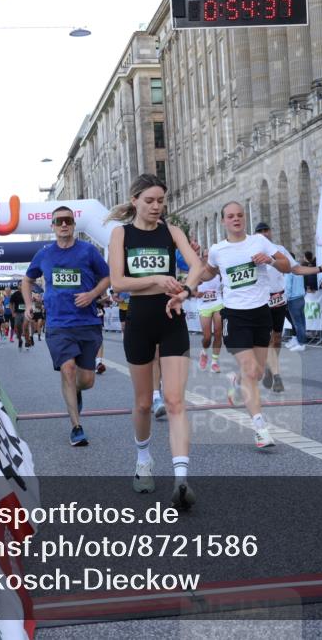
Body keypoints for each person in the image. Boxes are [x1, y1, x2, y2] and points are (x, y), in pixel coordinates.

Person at [108, 174, 202, 510]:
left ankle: (181, 479)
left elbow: (196, 266)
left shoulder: (172, 231)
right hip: (139, 323)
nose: (156, 206)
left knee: (176, 401)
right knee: (144, 403)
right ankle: (143, 459)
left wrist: (186, 290)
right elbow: (119, 282)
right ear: (134, 200)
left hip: (172, 319)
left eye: (161, 200)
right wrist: (157, 280)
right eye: (149, 200)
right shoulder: (121, 234)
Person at [202, 201, 291, 449]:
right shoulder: (218, 250)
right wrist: (190, 280)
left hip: (261, 312)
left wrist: (271, 260)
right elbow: (208, 272)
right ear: (223, 221)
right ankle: (260, 428)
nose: (236, 219)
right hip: (234, 315)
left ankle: (237, 381)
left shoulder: (259, 242)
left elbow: (287, 266)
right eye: (230, 216)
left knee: (258, 373)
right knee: (252, 372)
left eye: (240, 215)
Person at [23, 206, 110, 447]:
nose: (64, 225)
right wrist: (29, 303)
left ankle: (77, 391)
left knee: (87, 380)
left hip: (87, 322)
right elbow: (27, 280)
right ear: (52, 226)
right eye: (59, 221)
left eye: (68, 221)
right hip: (59, 324)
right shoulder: (44, 254)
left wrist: (92, 294)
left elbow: (107, 277)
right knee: (68, 369)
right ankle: (76, 426)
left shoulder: (88, 251)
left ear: (73, 224)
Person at [254, 222, 322, 390]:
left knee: (277, 339)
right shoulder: (252, 250)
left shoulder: (280, 250)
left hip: (279, 299)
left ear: (271, 231)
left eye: (266, 230)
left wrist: (320, 268)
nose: (264, 233)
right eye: (260, 231)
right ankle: (275, 373)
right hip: (261, 301)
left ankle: (271, 368)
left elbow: (296, 269)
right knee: (267, 339)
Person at [195, 250, 223, 373]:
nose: (207, 258)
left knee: (218, 333)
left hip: (218, 303)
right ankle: (204, 352)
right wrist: (196, 293)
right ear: (202, 258)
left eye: (209, 256)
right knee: (207, 338)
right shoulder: (197, 272)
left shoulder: (218, 271)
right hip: (204, 306)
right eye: (205, 256)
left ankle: (214, 362)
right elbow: (189, 288)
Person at [9, 283, 29, 350]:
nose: (21, 286)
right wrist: (12, 312)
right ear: (18, 286)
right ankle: (20, 339)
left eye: (22, 285)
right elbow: (11, 304)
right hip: (17, 313)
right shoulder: (15, 294)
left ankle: (27, 341)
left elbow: (31, 302)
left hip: (26, 313)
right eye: (20, 285)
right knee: (18, 327)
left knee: (25, 326)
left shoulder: (27, 293)